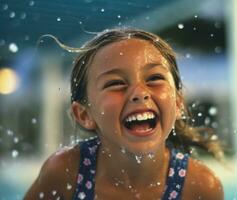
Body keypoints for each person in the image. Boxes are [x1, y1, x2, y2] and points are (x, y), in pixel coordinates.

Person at [24, 28, 224, 200]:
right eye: (115, 83)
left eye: (154, 78)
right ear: (84, 115)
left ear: (178, 103)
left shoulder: (199, 186)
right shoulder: (66, 173)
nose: (139, 93)